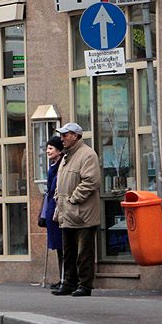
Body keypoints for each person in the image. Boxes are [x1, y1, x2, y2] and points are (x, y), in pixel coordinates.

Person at [52, 122, 100, 297]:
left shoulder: (87, 155)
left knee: (84, 253)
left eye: (65, 135)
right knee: (68, 251)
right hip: (68, 212)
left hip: (83, 213)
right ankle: (69, 282)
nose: (62, 138)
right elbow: (60, 182)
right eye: (62, 135)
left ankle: (85, 285)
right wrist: (59, 198)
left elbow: (91, 181)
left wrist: (73, 199)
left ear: (75, 136)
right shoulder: (67, 157)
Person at [38, 136, 65, 289]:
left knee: (63, 245)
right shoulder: (53, 167)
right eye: (47, 148)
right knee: (58, 246)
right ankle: (62, 278)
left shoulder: (61, 166)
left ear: (59, 151)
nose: (47, 151)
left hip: (59, 209)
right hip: (52, 210)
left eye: (50, 148)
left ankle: (65, 278)